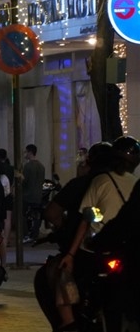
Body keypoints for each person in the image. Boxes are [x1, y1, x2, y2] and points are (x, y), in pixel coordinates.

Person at [55, 136, 139, 332]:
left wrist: (71, 254)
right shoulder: (135, 184)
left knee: (69, 276)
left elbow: (89, 216)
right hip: (129, 251)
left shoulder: (100, 181)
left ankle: (70, 323)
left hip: (105, 247)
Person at [35, 141, 113, 331]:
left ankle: (68, 323)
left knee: (59, 272)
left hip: (87, 250)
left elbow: (55, 214)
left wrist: (67, 235)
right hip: (119, 247)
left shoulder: (86, 185)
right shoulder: (125, 184)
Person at [20, 143, 46, 243]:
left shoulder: (27, 166)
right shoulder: (41, 166)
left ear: (30, 152)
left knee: (21, 215)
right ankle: (34, 234)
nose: (25, 154)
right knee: (37, 216)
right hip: (38, 195)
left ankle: (25, 234)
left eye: (26, 152)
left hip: (27, 196)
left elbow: (24, 181)